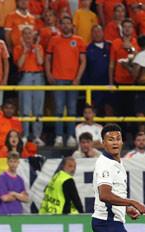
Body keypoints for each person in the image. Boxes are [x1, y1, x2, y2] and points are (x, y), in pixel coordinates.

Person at [46, 16, 87, 148]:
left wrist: (78, 78)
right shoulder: (54, 40)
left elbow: (83, 61)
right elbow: (48, 58)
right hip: (58, 79)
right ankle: (58, 136)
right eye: (63, 23)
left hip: (73, 80)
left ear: (72, 25)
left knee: (72, 110)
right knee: (58, 109)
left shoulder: (79, 41)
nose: (65, 26)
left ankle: (70, 136)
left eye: (68, 23)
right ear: (60, 26)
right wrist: (49, 74)